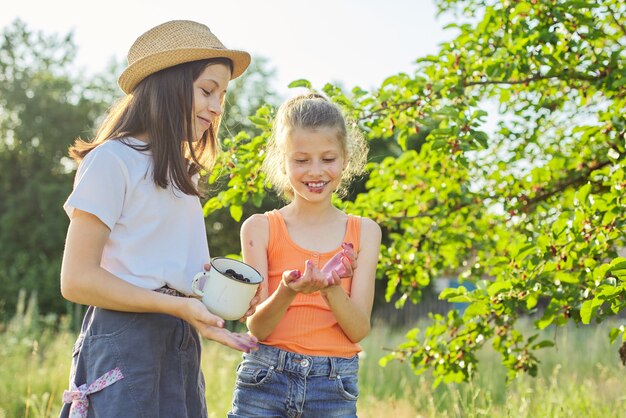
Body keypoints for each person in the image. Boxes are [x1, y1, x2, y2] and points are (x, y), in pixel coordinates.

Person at [59, 20, 259, 418]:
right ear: (167, 84)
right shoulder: (112, 161)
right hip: (126, 339)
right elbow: (76, 279)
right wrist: (176, 308)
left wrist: (210, 307)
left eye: (222, 95)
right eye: (208, 90)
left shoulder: (182, 174)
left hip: (179, 341)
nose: (217, 107)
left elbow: (169, 269)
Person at [228, 93, 382, 417]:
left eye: (328, 159)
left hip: (333, 385)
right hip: (264, 379)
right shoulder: (259, 229)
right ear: (282, 161)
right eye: (301, 160)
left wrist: (331, 287)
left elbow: (358, 329)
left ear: (345, 158)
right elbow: (257, 328)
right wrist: (287, 290)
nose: (316, 171)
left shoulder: (365, 232)